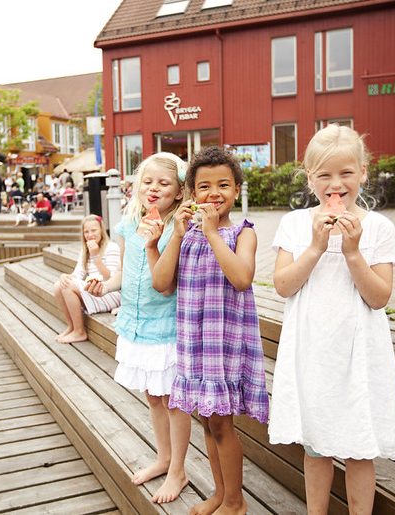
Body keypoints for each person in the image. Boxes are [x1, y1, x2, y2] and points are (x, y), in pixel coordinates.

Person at [269, 124, 395, 514]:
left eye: (346, 173)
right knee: (315, 447)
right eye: (324, 175)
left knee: (360, 450)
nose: (336, 185)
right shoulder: (295, 225)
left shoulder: (379, 227)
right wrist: (315, 247)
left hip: (360, 354)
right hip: (311, 352)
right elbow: (283, 285)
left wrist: (352, 252)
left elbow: (379, 297)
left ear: (364, 171)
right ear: (309, 177)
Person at [151, 146, 269, 515]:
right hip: (195, 342)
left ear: (237, 189)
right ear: (191, 193)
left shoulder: (243, 233)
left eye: (223, 185)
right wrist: (174, 235)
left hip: (226, 343)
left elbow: (241, 277)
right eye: (204, 187)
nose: (213, 193)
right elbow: (161, 283)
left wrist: (213, 233)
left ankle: (235, 501)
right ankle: (220, 494)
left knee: (221, 424)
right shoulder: (185, 234)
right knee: (207, 420)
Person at [86, 152, 189, 504]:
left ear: (178, 192)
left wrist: (158, 239)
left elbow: (169, 283)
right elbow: (125, 274)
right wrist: (107, 286)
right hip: (135, 322)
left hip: (167, 324)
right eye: (147, 181)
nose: (154, 188)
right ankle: (163, 458)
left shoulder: (179, 227)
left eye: (164, 183)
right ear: (136, 186)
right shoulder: (128, 224)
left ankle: (179, 470)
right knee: (153, 396)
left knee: (174, 401)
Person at [53, 215, 121, 343]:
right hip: (93, 289)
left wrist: (96, 256)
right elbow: (77, 274)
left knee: (68, 286)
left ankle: (80, 331)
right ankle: (72, 327)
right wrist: (64, 276)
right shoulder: (85, 250)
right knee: (59, 285)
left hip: (110, 293)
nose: (90, 235)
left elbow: (111, 278)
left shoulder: (112, 247)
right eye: (86, 232)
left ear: (101, 230)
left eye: (93, 230)